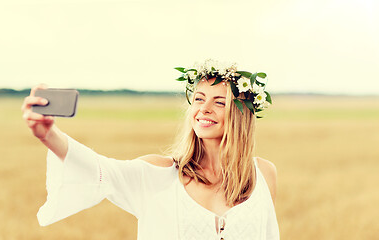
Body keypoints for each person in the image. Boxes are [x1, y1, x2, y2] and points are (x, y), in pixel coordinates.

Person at [21, 59, 279, 239]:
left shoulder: (263, 174)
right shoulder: (159, 175)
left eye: (219, 102)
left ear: (241, 115)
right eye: (199, 99)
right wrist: (49, 135)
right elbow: (99, 170)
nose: (204, 109)